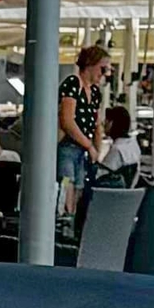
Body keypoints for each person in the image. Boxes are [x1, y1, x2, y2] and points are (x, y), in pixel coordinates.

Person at [57, 41, 112, 217]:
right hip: (67, 147)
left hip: (83, 151)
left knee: (79, 188)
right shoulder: (73, 83)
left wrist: (96, 149)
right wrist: (90, 146)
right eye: (102, 69)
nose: (104, 75)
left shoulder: (95, 92)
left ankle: (72, 222)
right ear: (90, 65)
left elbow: (96, 125)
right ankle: (65, 221)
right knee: (67, 187)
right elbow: (67, 120)